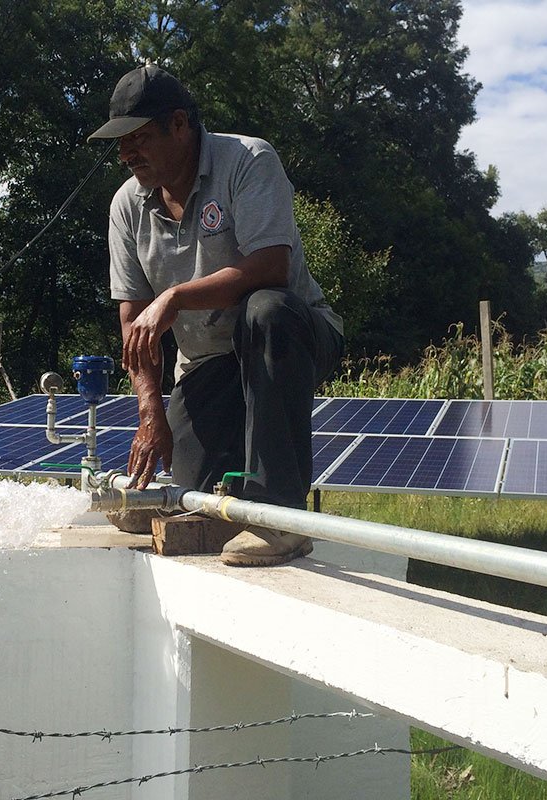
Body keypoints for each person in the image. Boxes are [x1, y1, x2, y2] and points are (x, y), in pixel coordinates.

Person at [89, 65, 344, 567]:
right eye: (121, 143)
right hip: (210, 362)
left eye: (139, 138)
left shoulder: (248, 160)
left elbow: (271, 266)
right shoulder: (127, 206)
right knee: (191, 494)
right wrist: (150, 412)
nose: (126, 154)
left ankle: (279, 519)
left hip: (290, 336)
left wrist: (175, 297)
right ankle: (208, 501)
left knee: (265, 308)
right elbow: (134, 324)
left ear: (179, 124)